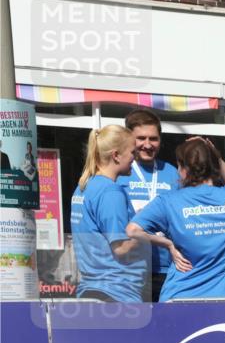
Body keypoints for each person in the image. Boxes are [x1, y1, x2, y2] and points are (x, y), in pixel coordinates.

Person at [70, 125, 186, 302]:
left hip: (93, 289)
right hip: (117, 292)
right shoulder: (111, 192)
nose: (135, 156)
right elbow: (121, 248)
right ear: (116, 155)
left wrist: (159, 239)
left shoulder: (84, 186)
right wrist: (144, 226)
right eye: (132, 152)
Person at [127, 137, 225, 300]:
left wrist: (168, 244)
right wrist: (214, 154)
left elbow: (132, 230)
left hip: (179, 298)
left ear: (184, 169)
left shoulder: (168, 201)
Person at [118, 109, 182, 302]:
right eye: (141, 138)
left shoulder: (172, 173)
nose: (147, 145)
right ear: (129, 139)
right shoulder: (120, 173)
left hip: (166, 268)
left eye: (153, 139)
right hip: (130, 268)